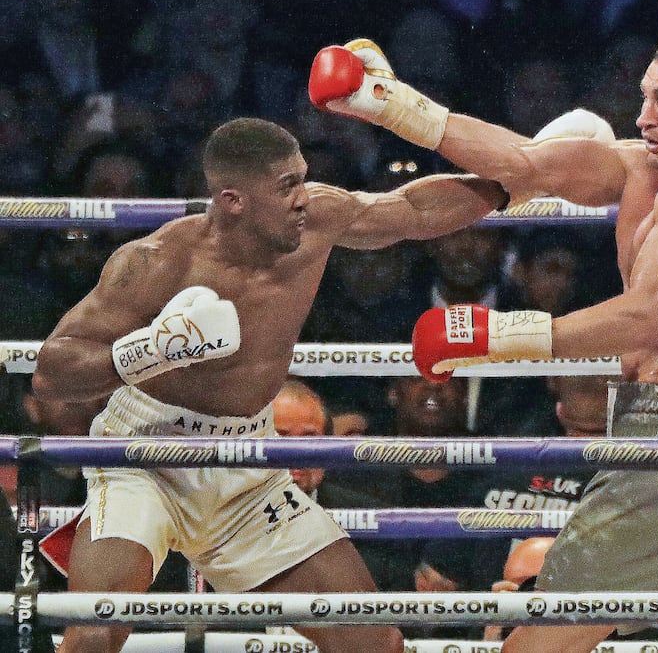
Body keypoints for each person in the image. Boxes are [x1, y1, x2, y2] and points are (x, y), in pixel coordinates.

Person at [313, 33, 658, 653]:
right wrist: (387, 103)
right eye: (644, 98)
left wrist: (496, 334)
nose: (643, 116)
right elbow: (522, 163)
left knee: (537, 643)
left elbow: (644, 318)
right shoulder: (643, 168)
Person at [30, 116, 511, 653]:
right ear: (234, 200)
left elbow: (412, 211)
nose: (304, 197)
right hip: (148, 459)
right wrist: (151, 350)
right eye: (287, 187)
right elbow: (53, 371)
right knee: (95, 632)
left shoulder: (318, 220)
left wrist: (515, 178)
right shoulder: (159, 262)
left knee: (373, 642)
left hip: (247, 465)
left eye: (302, 178)